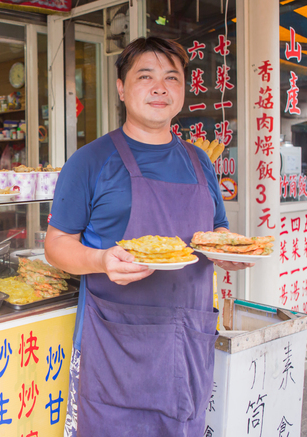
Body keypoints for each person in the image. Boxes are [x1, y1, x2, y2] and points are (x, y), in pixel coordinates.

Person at [44, 37, 253, 437]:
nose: (160, 87)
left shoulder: (200, 161)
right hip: (115, 347)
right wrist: (101, 260)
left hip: (187, 343)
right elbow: (57, 244)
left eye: (172, 77)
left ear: (183, 91)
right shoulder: (90, 161)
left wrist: (225, 249)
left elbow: (217, 230)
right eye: (146, 76)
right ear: (121, 88)